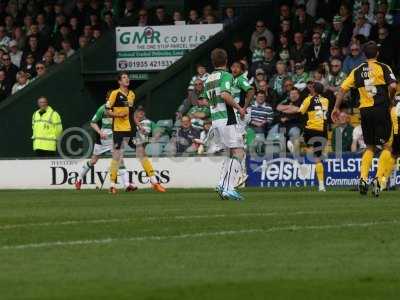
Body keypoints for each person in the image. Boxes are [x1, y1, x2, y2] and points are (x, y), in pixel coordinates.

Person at [332, 41, 398, 197]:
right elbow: (394, 86)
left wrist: (335, 107)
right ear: (377, 54)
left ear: (364, 55)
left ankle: (362, 179)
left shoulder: (357, 70)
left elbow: (342, 89)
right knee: (388, 147)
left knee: (369, 147)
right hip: (381, 110)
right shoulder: (383, 67)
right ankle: (377, 179)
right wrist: (390, 98)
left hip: (365, 111)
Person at [106, 72, 166, 194]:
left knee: (141, 152)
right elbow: (107, 111)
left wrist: (138, 125)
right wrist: (117, 114)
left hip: (131, 131)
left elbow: (131, 112)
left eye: (127, 77)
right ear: (119, 82)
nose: (127, 79)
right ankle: (112, 185)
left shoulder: (132, 94)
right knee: (117, 156)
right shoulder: (114, 94)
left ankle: (154, 182)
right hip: (118, 130)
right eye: (124, 77)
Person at [202, 48, 246, 200]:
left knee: (229, 153)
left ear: (213, 62)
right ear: (226, 60)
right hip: (227, 118)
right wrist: (239, 108)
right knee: (239, 152)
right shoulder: (226, 75)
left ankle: (222, 184)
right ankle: (228, 187)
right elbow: (225, 94)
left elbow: (206, 100)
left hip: (216, 119)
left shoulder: (207, 79)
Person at [75, 102, 136, 192]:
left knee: (119, 159)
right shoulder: (102, 109)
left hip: (115, 137)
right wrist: (100, 132)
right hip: (103, 139)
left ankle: (126, 184)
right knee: (93, 160)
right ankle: (79, 179)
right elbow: (93, 122)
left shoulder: (120, 107)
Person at [282, 82, 329, 192]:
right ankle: (321, 185)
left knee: (299, 141)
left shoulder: (309, 99)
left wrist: (286, 109)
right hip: (323, 130)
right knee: (318, 159)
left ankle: (296, 151)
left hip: (311, 129)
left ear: (313, 90)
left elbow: (300, 111)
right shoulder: (326, 100)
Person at [231, 61, 255, 187]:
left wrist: (243, 108)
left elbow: (251, 90)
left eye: (237, 67)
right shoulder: (233, 80)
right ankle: (239, 175)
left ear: (241, 69)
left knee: (237, 143)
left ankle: (242, 174)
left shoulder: (241, 79)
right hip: (236, 112)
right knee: (236, 144)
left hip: (241, 113)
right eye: (233, 66)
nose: (234, 69)